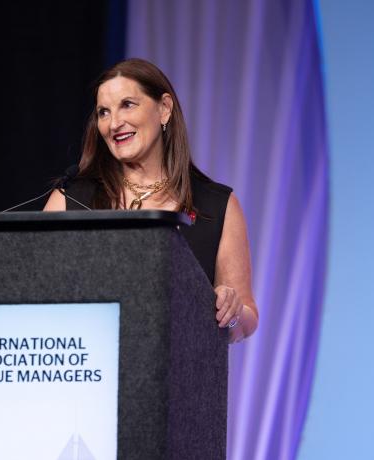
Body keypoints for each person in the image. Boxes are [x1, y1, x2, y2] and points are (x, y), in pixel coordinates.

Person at [44, 58, 258, 343]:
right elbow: (38, 289)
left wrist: (231, 312)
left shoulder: (217, 207)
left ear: (164, 109)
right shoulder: (70, 200)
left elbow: (246, 319)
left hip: (179, 379)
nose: (114, 123)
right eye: (103, 112)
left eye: (127, 105)